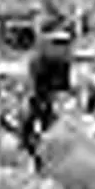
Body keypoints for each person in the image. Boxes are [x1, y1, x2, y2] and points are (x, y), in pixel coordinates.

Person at [21, 29, 73, 159]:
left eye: (64, 44)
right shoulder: (37, 61)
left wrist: (61, 99)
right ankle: (30, 146)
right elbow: (34, 84)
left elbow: (65, 85)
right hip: (39, 93)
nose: (61, 48)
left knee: (52, 121)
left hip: (53, 97)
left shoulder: (64, 62)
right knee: (33, 115)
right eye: (57, 43)